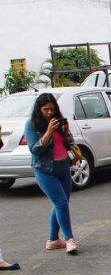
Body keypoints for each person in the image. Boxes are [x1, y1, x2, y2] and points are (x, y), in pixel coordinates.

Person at [24, 93, 78, 255]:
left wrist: (66, 133)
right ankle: (69, 240)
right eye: (45, 109)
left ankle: (53, 240)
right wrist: (48, 131)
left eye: (52, 109)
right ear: (38, 109)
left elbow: (70, 144)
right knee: (61, 204)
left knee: (61, 204)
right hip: (45, 170)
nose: (49, 113)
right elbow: (35, 150)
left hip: (63, 167)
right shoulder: (32, 125)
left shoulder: (58, 121)